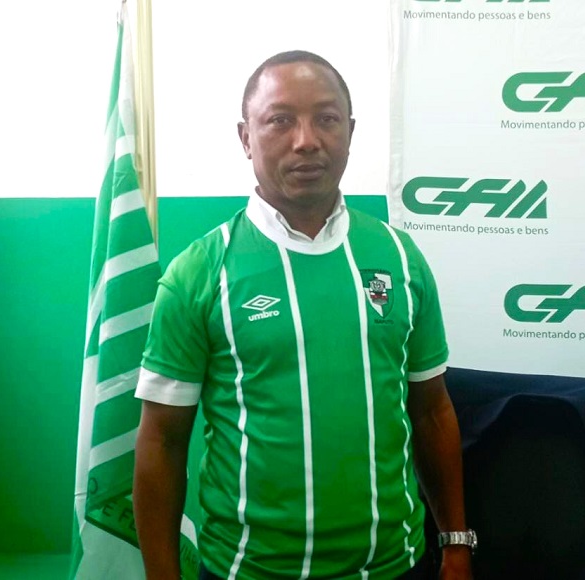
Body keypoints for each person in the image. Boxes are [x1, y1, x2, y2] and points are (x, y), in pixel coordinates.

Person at [133, 50, 473, 579]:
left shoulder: (400, 257)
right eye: (280, 120)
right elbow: (161, 441)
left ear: (350, 132)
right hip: (248, 570)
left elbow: (431, 412)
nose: (307, 140)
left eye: (327, 119)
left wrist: (456, 543)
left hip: (394, 567)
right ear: (246, 137)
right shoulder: (198, 274)